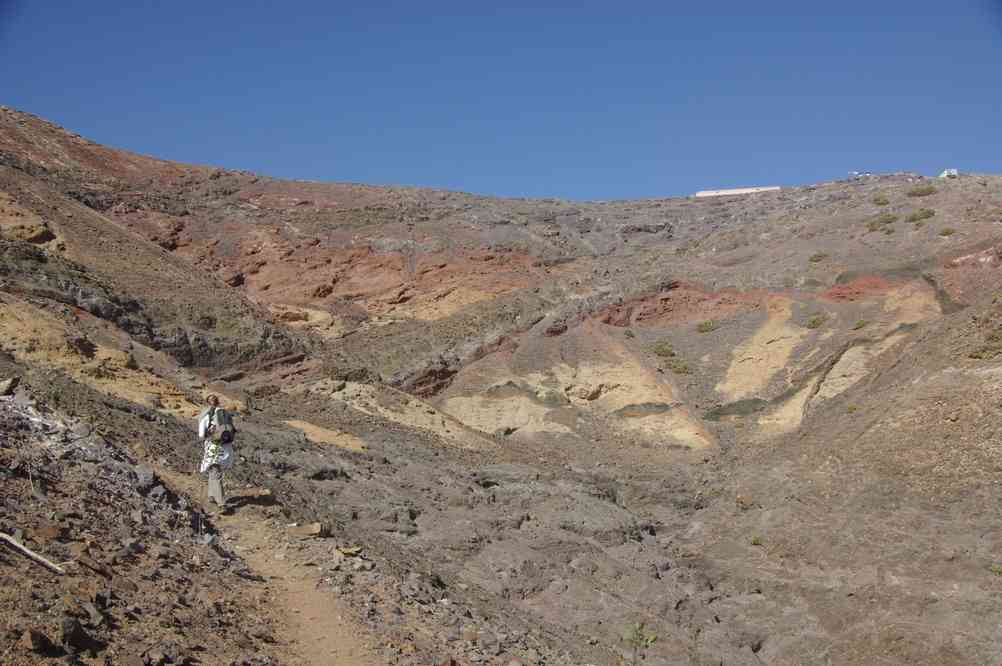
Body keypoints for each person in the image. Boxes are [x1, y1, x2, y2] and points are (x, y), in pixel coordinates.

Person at [197, 395, 236, 512]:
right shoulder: (225, 413)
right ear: (218, 402)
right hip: (226, 447)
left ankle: (221, 503)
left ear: (207, 403)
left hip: (214, 447)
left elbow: (201, 434)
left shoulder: (207, 414)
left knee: (215, 472)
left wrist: (206, 436)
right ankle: (211, 496)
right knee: (213, 470)